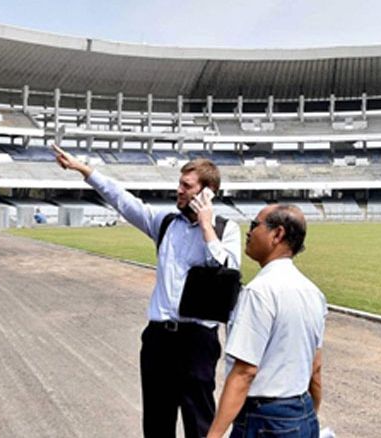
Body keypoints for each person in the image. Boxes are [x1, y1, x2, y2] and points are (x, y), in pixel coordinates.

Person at [52, 145, 241, 438]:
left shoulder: (226, 230)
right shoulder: (164, 222)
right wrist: (85, 170)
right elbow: (123, 201)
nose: (178, 190)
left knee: (200, 422)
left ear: (208, 192)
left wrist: (206, 228)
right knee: (156, 422)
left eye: (186, 186)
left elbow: (227, 273)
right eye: (179, 183)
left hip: (198, 342)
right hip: (159, 339)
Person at [207, 204, 326, 438]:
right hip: (301, 412)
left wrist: (214, 434)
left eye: (255, 225)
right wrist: (309, 416)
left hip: (264, 419)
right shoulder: (314, 293)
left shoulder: (259, 292)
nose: (249, 232)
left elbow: (244, 372)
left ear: (277, 234)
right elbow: (316, 368)